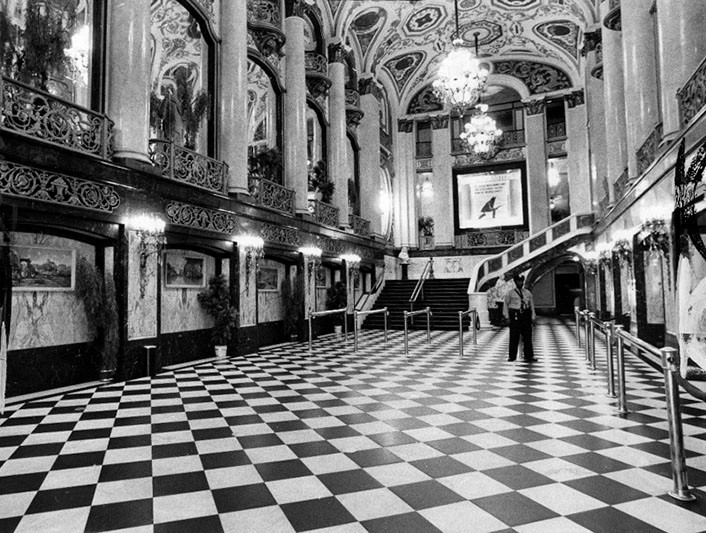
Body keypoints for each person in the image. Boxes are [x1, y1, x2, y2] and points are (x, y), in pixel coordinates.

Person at [503, 274, 536, 361]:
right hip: (515, 315)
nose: (520, 283)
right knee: (514, 336)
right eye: (518, 281)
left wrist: (533, 316)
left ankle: (529, 355)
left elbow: (531, 304)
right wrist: (507, 317)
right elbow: (505, 305)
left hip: (525, 314)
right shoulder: (510, 293)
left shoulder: (527, 293)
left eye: (521, 281)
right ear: (515, 282)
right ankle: (512, 356)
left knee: (527, 336)